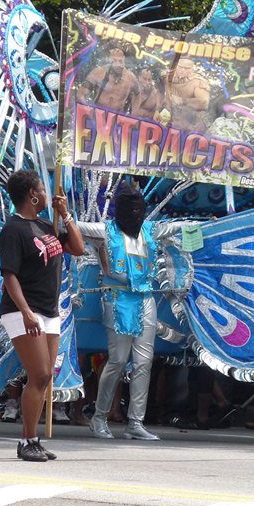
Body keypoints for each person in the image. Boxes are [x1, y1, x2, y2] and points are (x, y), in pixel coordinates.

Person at [79, 183, 189, 440]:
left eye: (141, 209)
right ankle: (99, 417)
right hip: (117, 300)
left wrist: (206, 225)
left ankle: (135, 422)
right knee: (117, 361)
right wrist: (63, 214)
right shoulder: (105, 231)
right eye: (132, 209)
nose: (137, 214)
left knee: (144, 362)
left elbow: (179, 226)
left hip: (145, 299)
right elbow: (76, 228)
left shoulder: (150, 231)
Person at [0, 169, 85, 462]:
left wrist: (66, 213)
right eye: (43, 191)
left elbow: (78, 248)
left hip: (49, 310)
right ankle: (27, 441)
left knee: (45, 377)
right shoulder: (13, 229)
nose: (48, 195)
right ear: (33, 196)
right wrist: (25, 312)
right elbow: (9, 275)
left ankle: (32, 438)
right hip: (23, 310)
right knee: (41, 373)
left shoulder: (48, 225)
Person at [77, 44, 139, 112]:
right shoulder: (98, 72)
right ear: (110, 60)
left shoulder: (131, 78)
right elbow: (81, 94)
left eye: (120, 61)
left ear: (124, 60)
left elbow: (138, 95)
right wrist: (88, 111)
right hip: (97, 115)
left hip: (117, 118)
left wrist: (132, 115)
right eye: (114, 60)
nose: (118, 64)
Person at [157, 58, 211, 131]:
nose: (182, 70)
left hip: (189, 124)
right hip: (168, 119)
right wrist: (157, 109)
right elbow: (160, 89)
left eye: (186, 68)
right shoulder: (167, 77)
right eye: (180, 67)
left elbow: (204, 103)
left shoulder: (198, 82)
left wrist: (183, 101)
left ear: (192, 70)